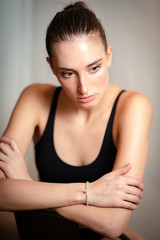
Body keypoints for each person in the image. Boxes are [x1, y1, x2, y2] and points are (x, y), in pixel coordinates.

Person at [0, 1, 153, 239]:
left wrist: (25, 185)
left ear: (108, 55)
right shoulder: (34, 98)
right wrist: (88, 193)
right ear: (51, 67)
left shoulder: (133, 106)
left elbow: (113, 225)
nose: (83, 88)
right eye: (68, 73)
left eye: (94, 68)